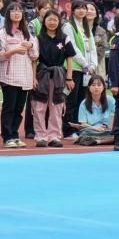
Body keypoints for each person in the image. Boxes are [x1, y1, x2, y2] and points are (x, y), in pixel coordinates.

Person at [31, 9, 77, 148]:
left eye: (55, 20)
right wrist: (33, 78)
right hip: (42, 75)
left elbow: (69, 59)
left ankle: (54, 136)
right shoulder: (38, 38)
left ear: (59, 22)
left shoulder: (64, 38)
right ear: (44, 21)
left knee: (57, 106)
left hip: (59, 76)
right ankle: (40, 136)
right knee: (39, 106)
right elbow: (34, 60)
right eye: (49, 19)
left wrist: (69, 78)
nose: (52, 22)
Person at [0, 1, 37, 149]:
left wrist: (31, 45)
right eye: (13, 11)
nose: (17, 13)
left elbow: (35, 55)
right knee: (9, 107)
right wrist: (14, 50)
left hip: (25, 77)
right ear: (8, 14)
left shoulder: (26, 33)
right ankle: (7, 137)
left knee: (19, 109)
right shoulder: (3, 33)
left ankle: (15, 135)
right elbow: (1, 56)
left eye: (19, 11)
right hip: (9, 76)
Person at [63, 0, 98, 136]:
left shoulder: (86, 26)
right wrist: (85, 64)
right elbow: (72, 48)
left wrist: (93, 64)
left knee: (81, 101)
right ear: (73, 11)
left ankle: (78, 128)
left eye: (84, 8)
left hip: (87, 71)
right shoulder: (68, 26)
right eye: (78, 8)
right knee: (71, 100)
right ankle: (68, 130)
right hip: (74, 69)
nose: (82, 10)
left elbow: (92, 48)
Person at [72, 74, 115, 146]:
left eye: (99, 85)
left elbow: (113, 118)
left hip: (106, 130)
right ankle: (95, 140)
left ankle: (97, 141)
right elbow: (83, 124)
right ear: (89, 87)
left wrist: (107, 129)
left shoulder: (110, 100)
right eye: (93, 85)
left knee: (118, 134)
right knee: (85, 133)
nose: (96, 87)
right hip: (92, 130)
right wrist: (96, 128)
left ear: (103, 87)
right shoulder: (84, 103)